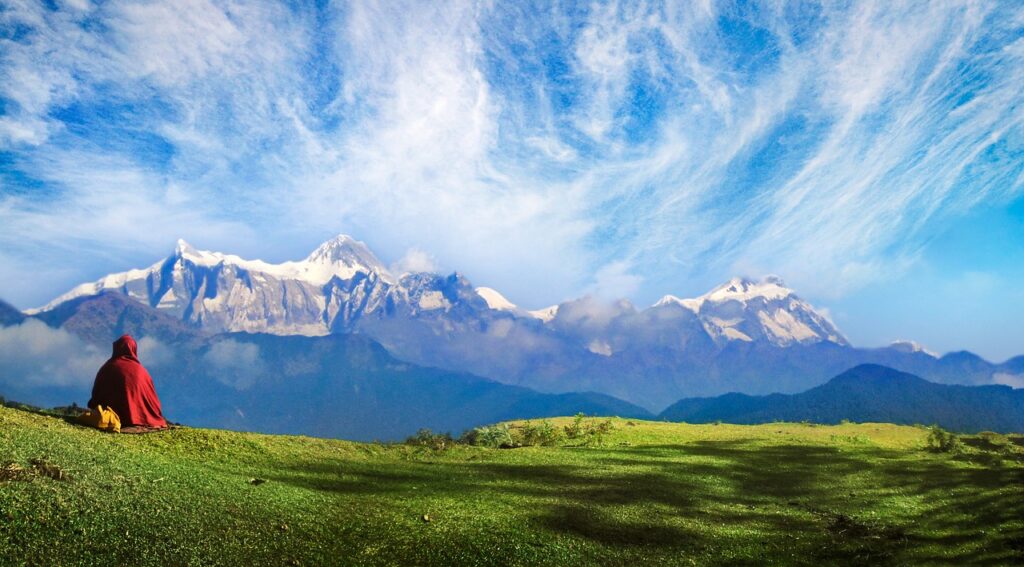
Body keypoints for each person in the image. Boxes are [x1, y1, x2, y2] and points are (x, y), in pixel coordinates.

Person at [88, 334, 167, 429]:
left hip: (111, 416)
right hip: (142, 417)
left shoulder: (107, 368)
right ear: (134, 349)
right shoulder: (142, 371)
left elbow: (96, 394)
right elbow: (153, 400)